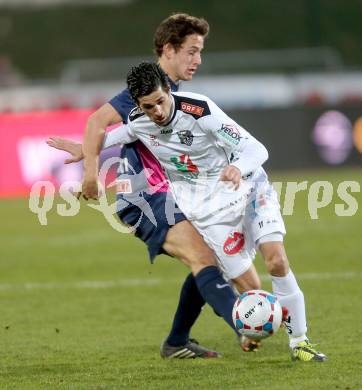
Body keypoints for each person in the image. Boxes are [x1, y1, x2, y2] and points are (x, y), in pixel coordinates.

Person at [52, 62, 327, 362]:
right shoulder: (139, 120)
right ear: (138, 105)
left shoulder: (200, 111)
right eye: (148, 106)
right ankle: (254, 325)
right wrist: (86, 149)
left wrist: (236, 167)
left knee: (276, 260)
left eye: (160, 101)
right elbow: (120, 134)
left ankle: (300, 342)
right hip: (208, 212)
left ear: (168, 90)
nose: (157, 111)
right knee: (251, 288)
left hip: (246, 188)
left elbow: (257, 150)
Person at [49, 13, 262, 359]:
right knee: (205, 256)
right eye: (191, 51)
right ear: (168, 49)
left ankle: (177, 342)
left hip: (170, 193)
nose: (198, 59)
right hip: (145, 196)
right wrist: (90, 173)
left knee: (211, 255)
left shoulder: (175, 92)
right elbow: (97, 120)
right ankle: (246, 327)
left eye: (200, 51)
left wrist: (93, 147)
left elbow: (128, 132)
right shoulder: (152, 84)